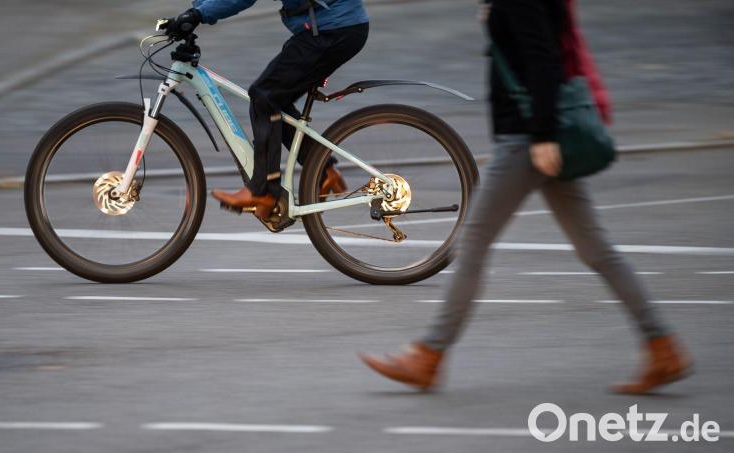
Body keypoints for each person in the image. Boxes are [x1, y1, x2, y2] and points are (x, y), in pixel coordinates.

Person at [359, 0, 692, 394]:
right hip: (533, 135)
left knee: (474, 242)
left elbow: (542, 58)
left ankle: (428, 355)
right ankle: (662, 347)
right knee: (597, 249)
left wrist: (544, 135)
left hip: (526, 141)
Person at [166, 1, 369, 220]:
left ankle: (262, 192)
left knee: (264, 96)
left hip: (332, 29)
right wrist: (196, 11)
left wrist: (198, 14)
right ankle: (321, 169)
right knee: (274, 98)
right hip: (333, 27)